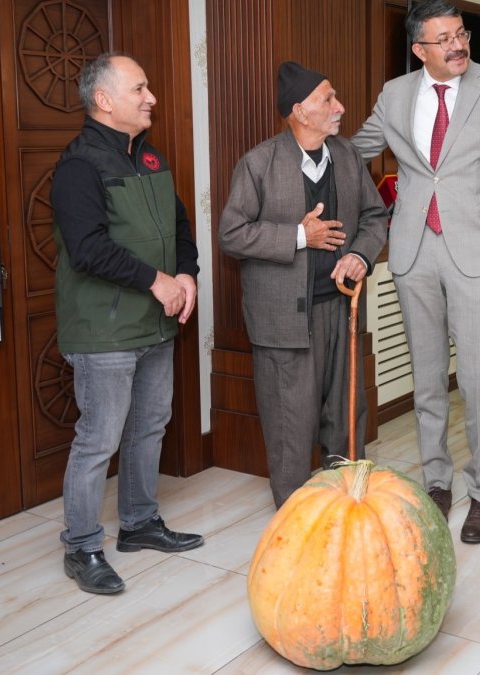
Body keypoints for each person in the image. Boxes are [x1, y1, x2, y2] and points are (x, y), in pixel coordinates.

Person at [351, 0, 480, 544]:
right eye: (444, 39)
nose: (458, 46)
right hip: (413, 249)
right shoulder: (394, 94)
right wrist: (301, 142)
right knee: (427, 378)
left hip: (479, 251)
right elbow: (356, 150)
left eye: (461, 34)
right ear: (419, 50)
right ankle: (436, 481)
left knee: (479, 379)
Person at [51, 53, 204, 595]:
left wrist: (185, 274)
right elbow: (88, 249)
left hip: (155, 324)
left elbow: (180, 221)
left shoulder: (149, 155)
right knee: (98, 439)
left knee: (148, 426)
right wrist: (157, 281)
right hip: (104, 331)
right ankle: (82, 546)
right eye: (139, 88)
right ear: (104, 100)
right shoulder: (80, 166)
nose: (151, 98)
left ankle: (138, 524)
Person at [218, 62, 388, 508]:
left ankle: (349, 511)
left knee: (347, 418)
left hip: (343, 311)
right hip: (284, 320)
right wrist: (300, 235)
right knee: (290, 425)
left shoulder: (348, 156)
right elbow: (231, 234)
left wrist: (359, 254)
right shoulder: (259, 163)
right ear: (299, 111)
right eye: (328, 99)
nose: (340, 107)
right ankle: (296, 523)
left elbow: (374, 216)